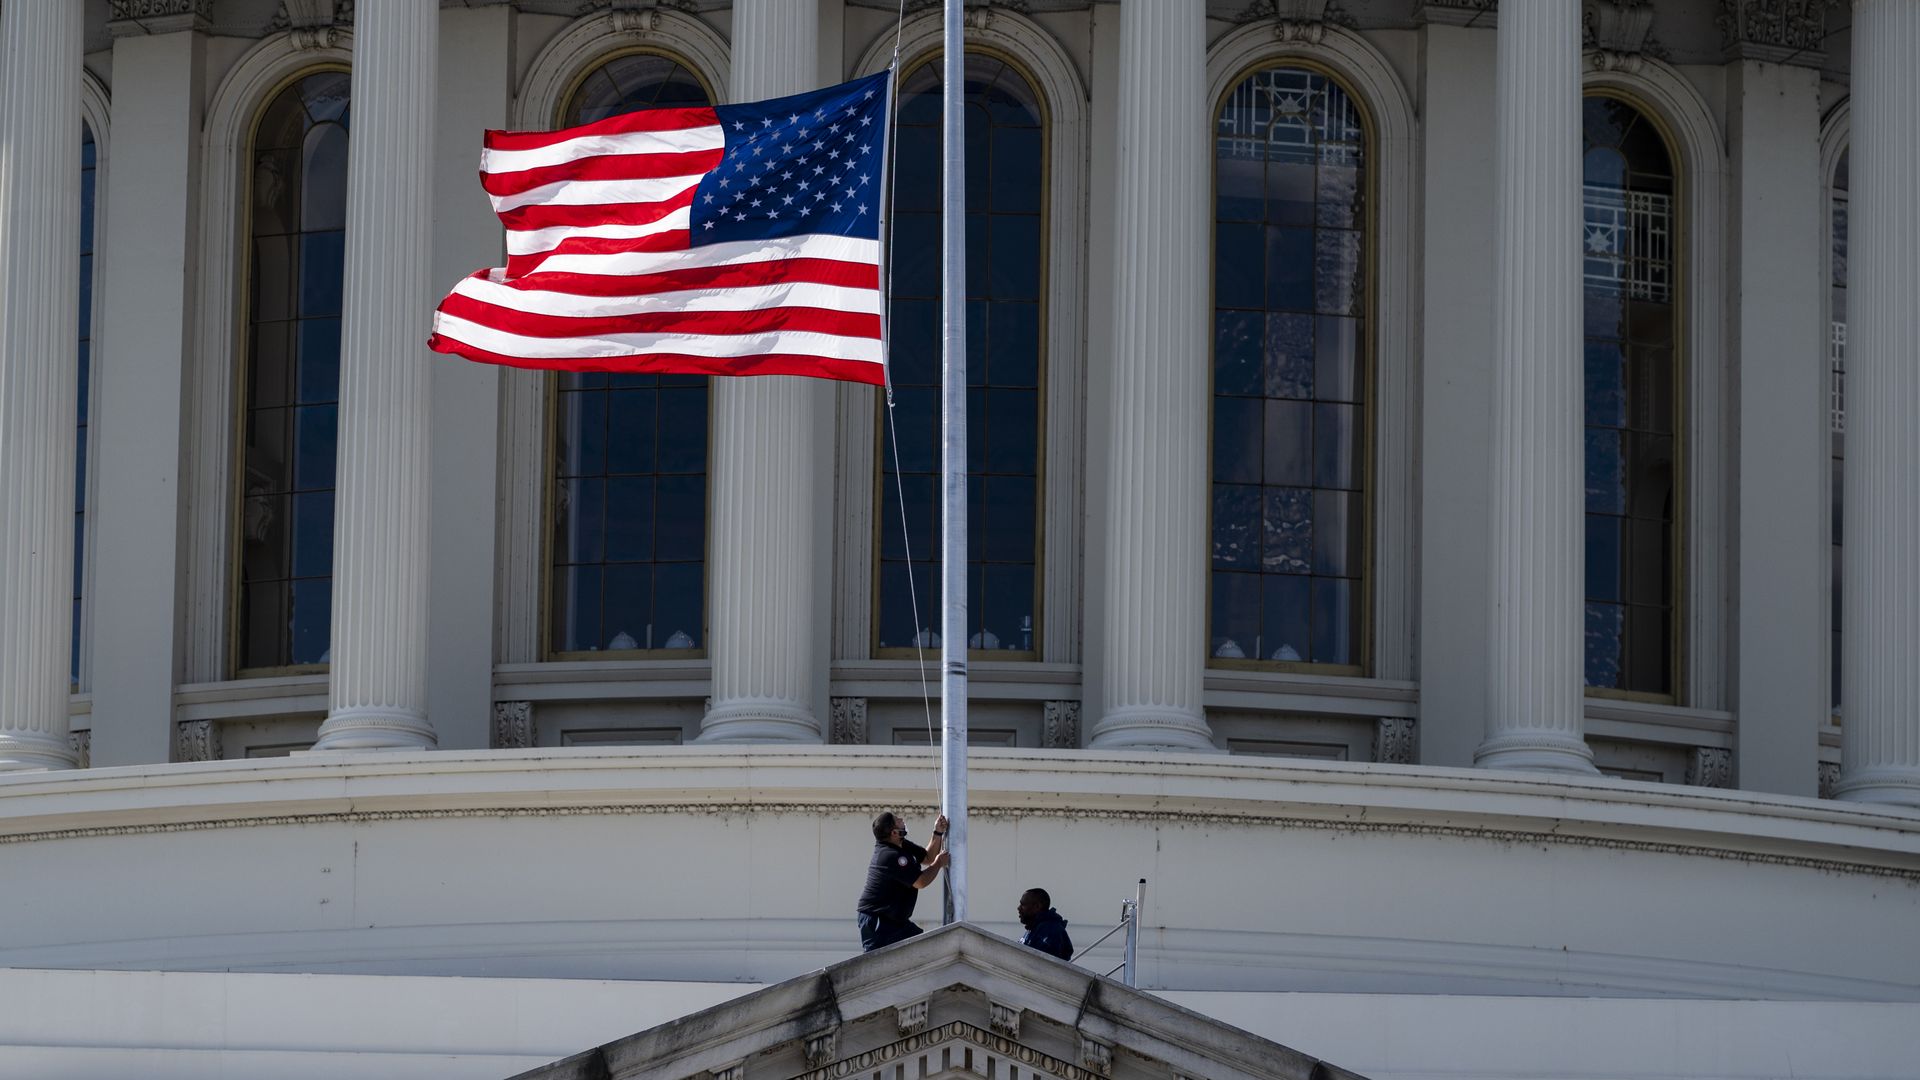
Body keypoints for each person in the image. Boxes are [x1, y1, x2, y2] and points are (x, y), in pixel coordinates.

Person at [855, 811, 949, 952]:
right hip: (878, 919)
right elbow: (921, 882)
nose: (902, 820)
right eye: (897, 820)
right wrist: (938, 863)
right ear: (894, 833)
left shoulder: (901, 844)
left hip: (895, 920)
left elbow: (927, 857)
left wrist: (938, 832)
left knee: (923, 950)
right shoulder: (890, 856)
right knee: (879, 964)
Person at [1016, 887, 1072, 961]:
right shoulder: (1033, 929)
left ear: (1037, 906)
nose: (1018, 908)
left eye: (1023, 904)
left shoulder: (1051, 931)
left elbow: (1041, 963)